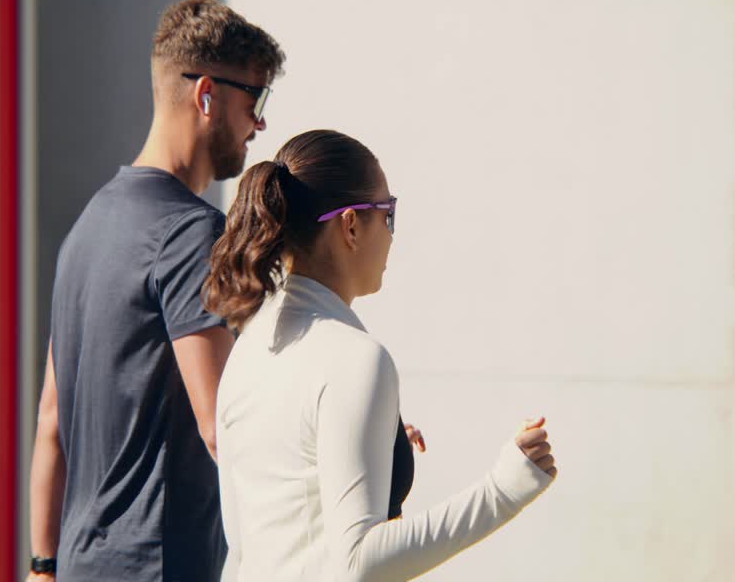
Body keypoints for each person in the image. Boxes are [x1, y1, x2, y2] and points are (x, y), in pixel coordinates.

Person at [204, 130, 556, 581]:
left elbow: (246, 541)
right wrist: (503, 490)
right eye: (387, 215)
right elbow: (361, 563)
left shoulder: (247, 349)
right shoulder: (353, 358)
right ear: (350, 226)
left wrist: (369, 442)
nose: (391, 236)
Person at [26, 0, 285, 582]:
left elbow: (50, 422)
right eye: (257, 100)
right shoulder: (190, 233)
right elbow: (223, 425)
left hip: (80, 567)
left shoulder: (86, 228)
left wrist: (43, 567)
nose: (261, 125)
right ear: (207, 96)